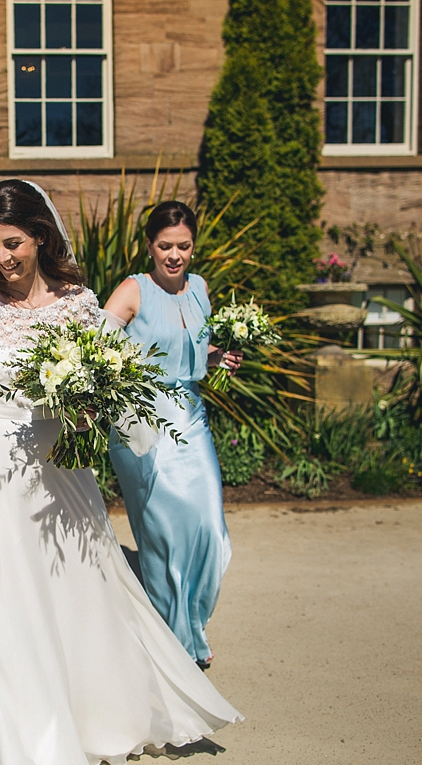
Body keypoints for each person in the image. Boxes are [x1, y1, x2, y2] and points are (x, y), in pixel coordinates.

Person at [0, 180, 242, 764]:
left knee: (73, 595)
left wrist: (89, 405)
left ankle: (86, 714)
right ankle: (17, 739)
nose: (2, 258)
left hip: (56, 468)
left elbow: (98, 385)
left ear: (40, 235)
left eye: (13, 243)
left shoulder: (76, 301)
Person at [102, 200, 243, 668]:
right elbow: (93, 348)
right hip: (143, 421)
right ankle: (175, 636)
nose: (175, 255)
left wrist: (219, 358)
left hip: (190, 417)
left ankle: (191, 620)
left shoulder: (201, 288)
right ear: (149, 247)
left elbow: (192, 352)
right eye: (165, 246)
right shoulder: (132, 291)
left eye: (183, 246)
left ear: (193, 247)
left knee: (207, 527)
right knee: (163, 536)